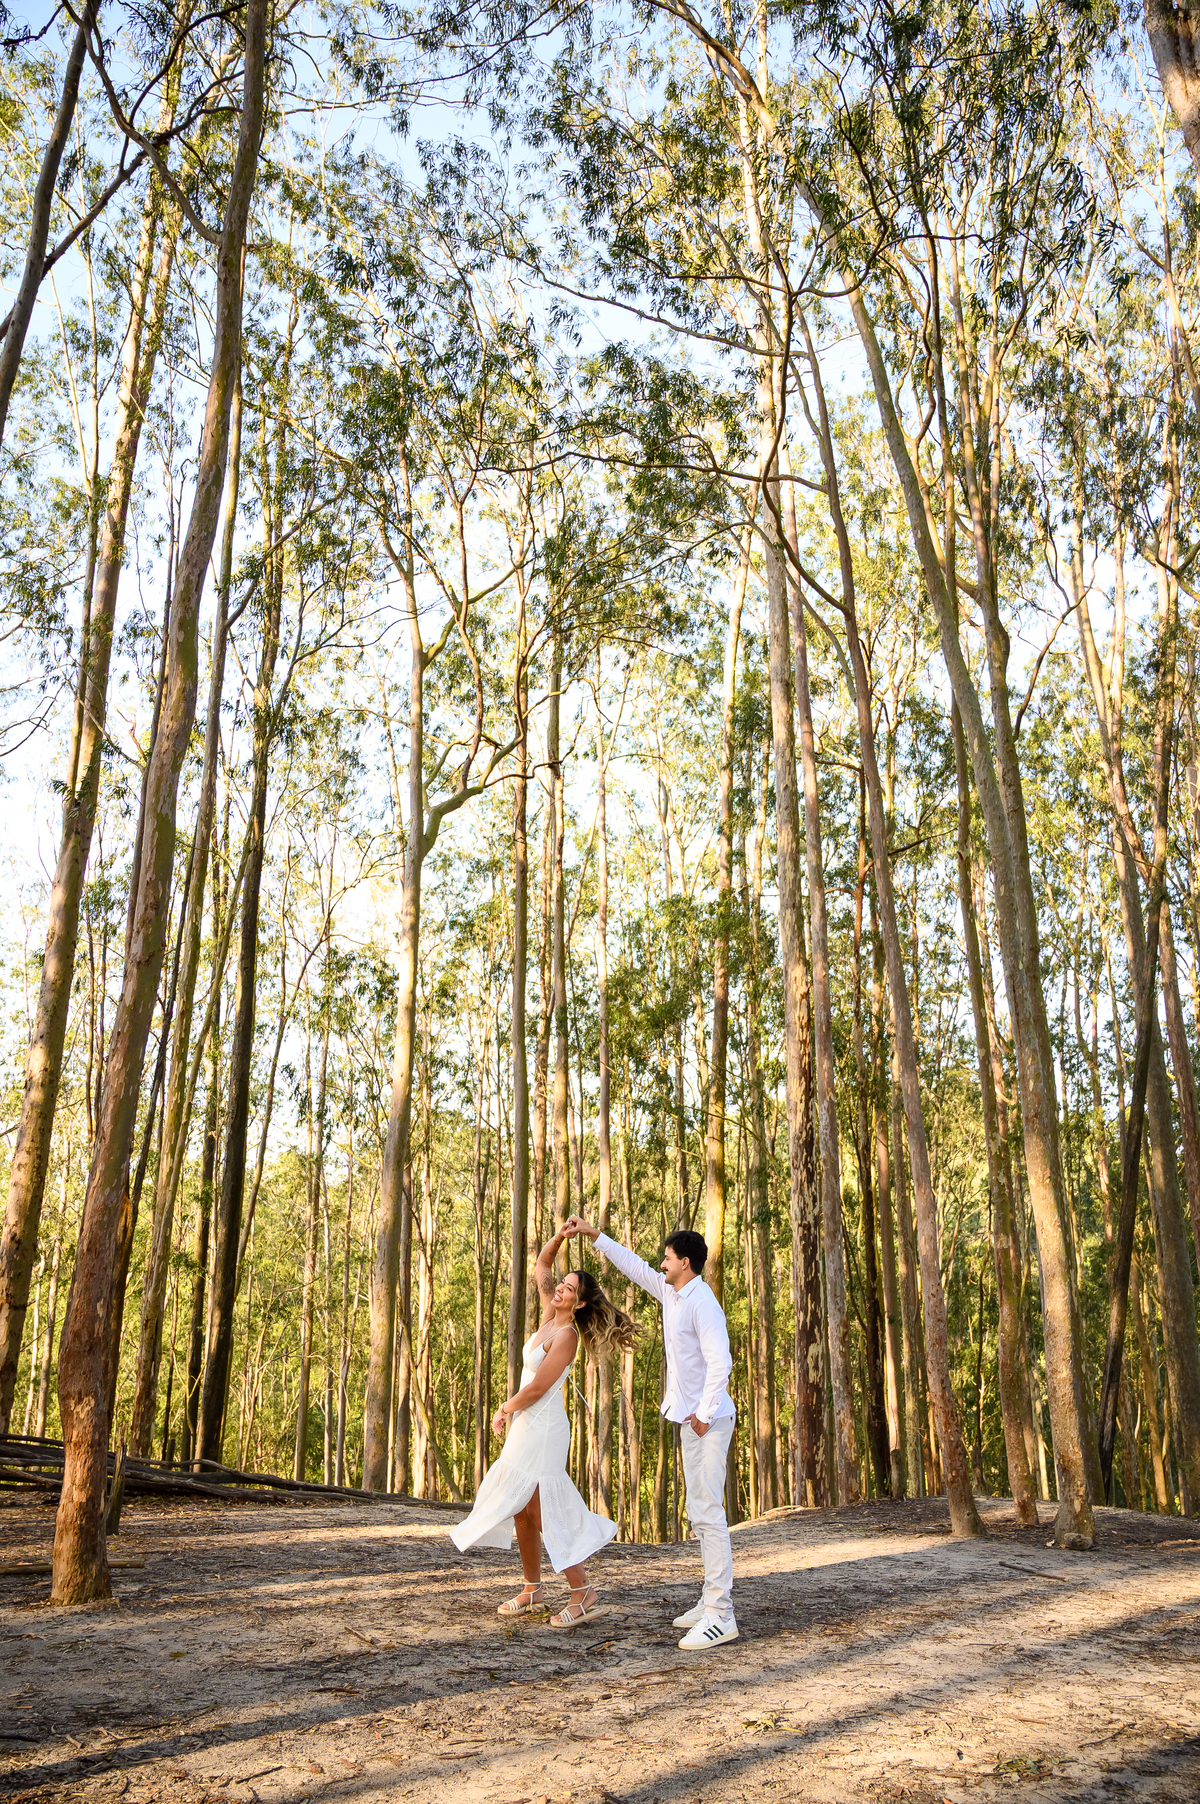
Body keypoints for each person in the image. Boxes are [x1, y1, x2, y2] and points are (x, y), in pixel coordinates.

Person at [565, 1213, 738, 1650]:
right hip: (691, 1420)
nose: (661, 1264)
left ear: (685, 1262)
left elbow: (721, 1362)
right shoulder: (672, 1292)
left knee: (708, 1512)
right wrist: (594, 1235)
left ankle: (721, 1614)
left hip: (710, 1422)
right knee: (698, 1511)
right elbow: (634, 1266)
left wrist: (704, 1413)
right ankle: (710, 1600)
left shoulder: (702, 1302)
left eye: (667, 1258)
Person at [449, 1223, 635, 1625]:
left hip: (544, 1427)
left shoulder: (566, 1336)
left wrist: (504, 1408)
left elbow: (537, 1388)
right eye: (562, 1284)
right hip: (526, 1424)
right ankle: (532, 1588)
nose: (559, 1289)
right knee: (519, 1507)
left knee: (538, 1507)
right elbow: (542, 1266)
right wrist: (562, 1237)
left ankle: (582, 1590)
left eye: (568, 1289)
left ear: (579, 1304)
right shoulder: (550, 1315)